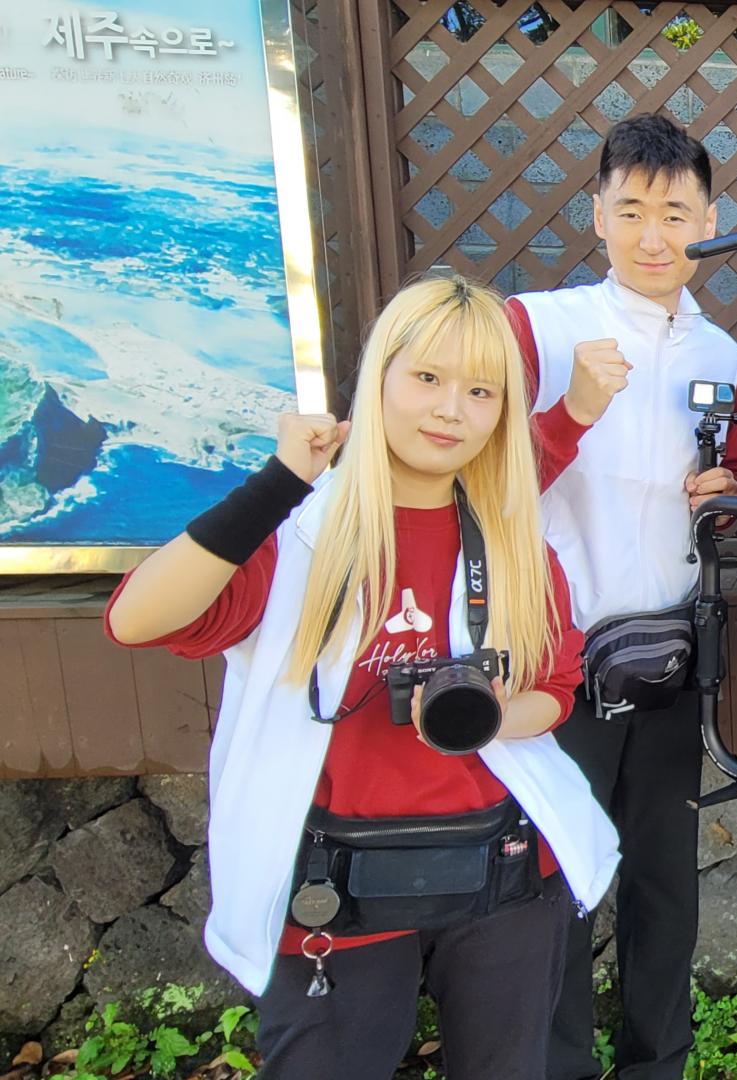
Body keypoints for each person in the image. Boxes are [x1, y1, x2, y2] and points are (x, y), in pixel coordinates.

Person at [103, 276, 618, 1080]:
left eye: (481, 391)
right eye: (427, 378)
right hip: (334, 889)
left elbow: (553, 687)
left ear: (502, 412)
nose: (450, 410)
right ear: (378, 377)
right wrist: (278, 483)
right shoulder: (299, 534)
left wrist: (485, 716)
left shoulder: (513, 540)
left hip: (506, 873)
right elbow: (136, 619)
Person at [502, 112, 737, 1080]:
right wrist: (569, 413)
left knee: (664, 885)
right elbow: (478, 485)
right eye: (632, 210)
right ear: (596, 214)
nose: (655, 236)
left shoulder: (722, 354)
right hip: (553, 664)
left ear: (710, 222)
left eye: (676, 214)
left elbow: (734, 498)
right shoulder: (538, 325)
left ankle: (660, 1063)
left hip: (670, 656)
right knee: (552, 884)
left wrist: (730, 489)